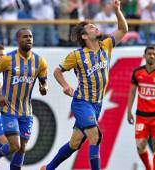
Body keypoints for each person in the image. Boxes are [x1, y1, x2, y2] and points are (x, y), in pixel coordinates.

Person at [40, 0, 128, 170]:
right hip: (82, 103)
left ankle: (48, 168)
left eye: (95, 26)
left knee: (74, 144)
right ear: (85, 36)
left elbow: (123, 30)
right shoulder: (77, 55)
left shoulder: (106, 46)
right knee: (95, 137)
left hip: (97, 104)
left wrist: (117, 10)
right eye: (91, 28)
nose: (96, 28)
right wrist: (65, 86)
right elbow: (58, 71)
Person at [0, 27, 48, 170]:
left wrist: (44, 87)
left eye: (30, 36)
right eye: (25, 37)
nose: (29, 39)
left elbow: (44, 81)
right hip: (9, 110)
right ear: (18, 40)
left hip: (27, 112)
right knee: (15, 145)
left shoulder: (40, 61)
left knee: (22, 148)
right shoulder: (7, 59)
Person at [127, 46, 155, 170]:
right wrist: (129, 111)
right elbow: (132, 92)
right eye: (149, 54)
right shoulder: (137, 72)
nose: (151, 56)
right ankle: (148, 167)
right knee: (140, 146)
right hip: (141, 115)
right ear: (144, 55)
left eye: (154, 54)